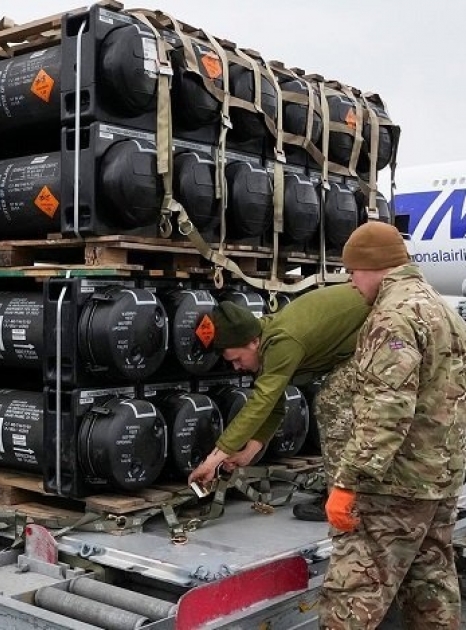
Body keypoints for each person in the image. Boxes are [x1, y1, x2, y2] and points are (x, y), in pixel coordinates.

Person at [319, 222, 466, 629]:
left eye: (352, 272)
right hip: (440, 478)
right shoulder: (441, 308)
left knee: (352, 597)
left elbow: (386, 409)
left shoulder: (393, 318)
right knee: (431, 586)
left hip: (393, 487)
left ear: (373, 267)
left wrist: (348, 482)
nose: (350, 283)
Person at [188, 283, 370, 523]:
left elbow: (261, 402)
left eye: (237, 359)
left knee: (332, 403)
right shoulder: (265, 341)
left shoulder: (282, 342)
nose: (237, 367)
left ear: (253, 342)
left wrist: (214, 459)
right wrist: (247, 453)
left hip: (382, 328)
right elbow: (273, 404)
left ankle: (346, 499)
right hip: (363, 338)